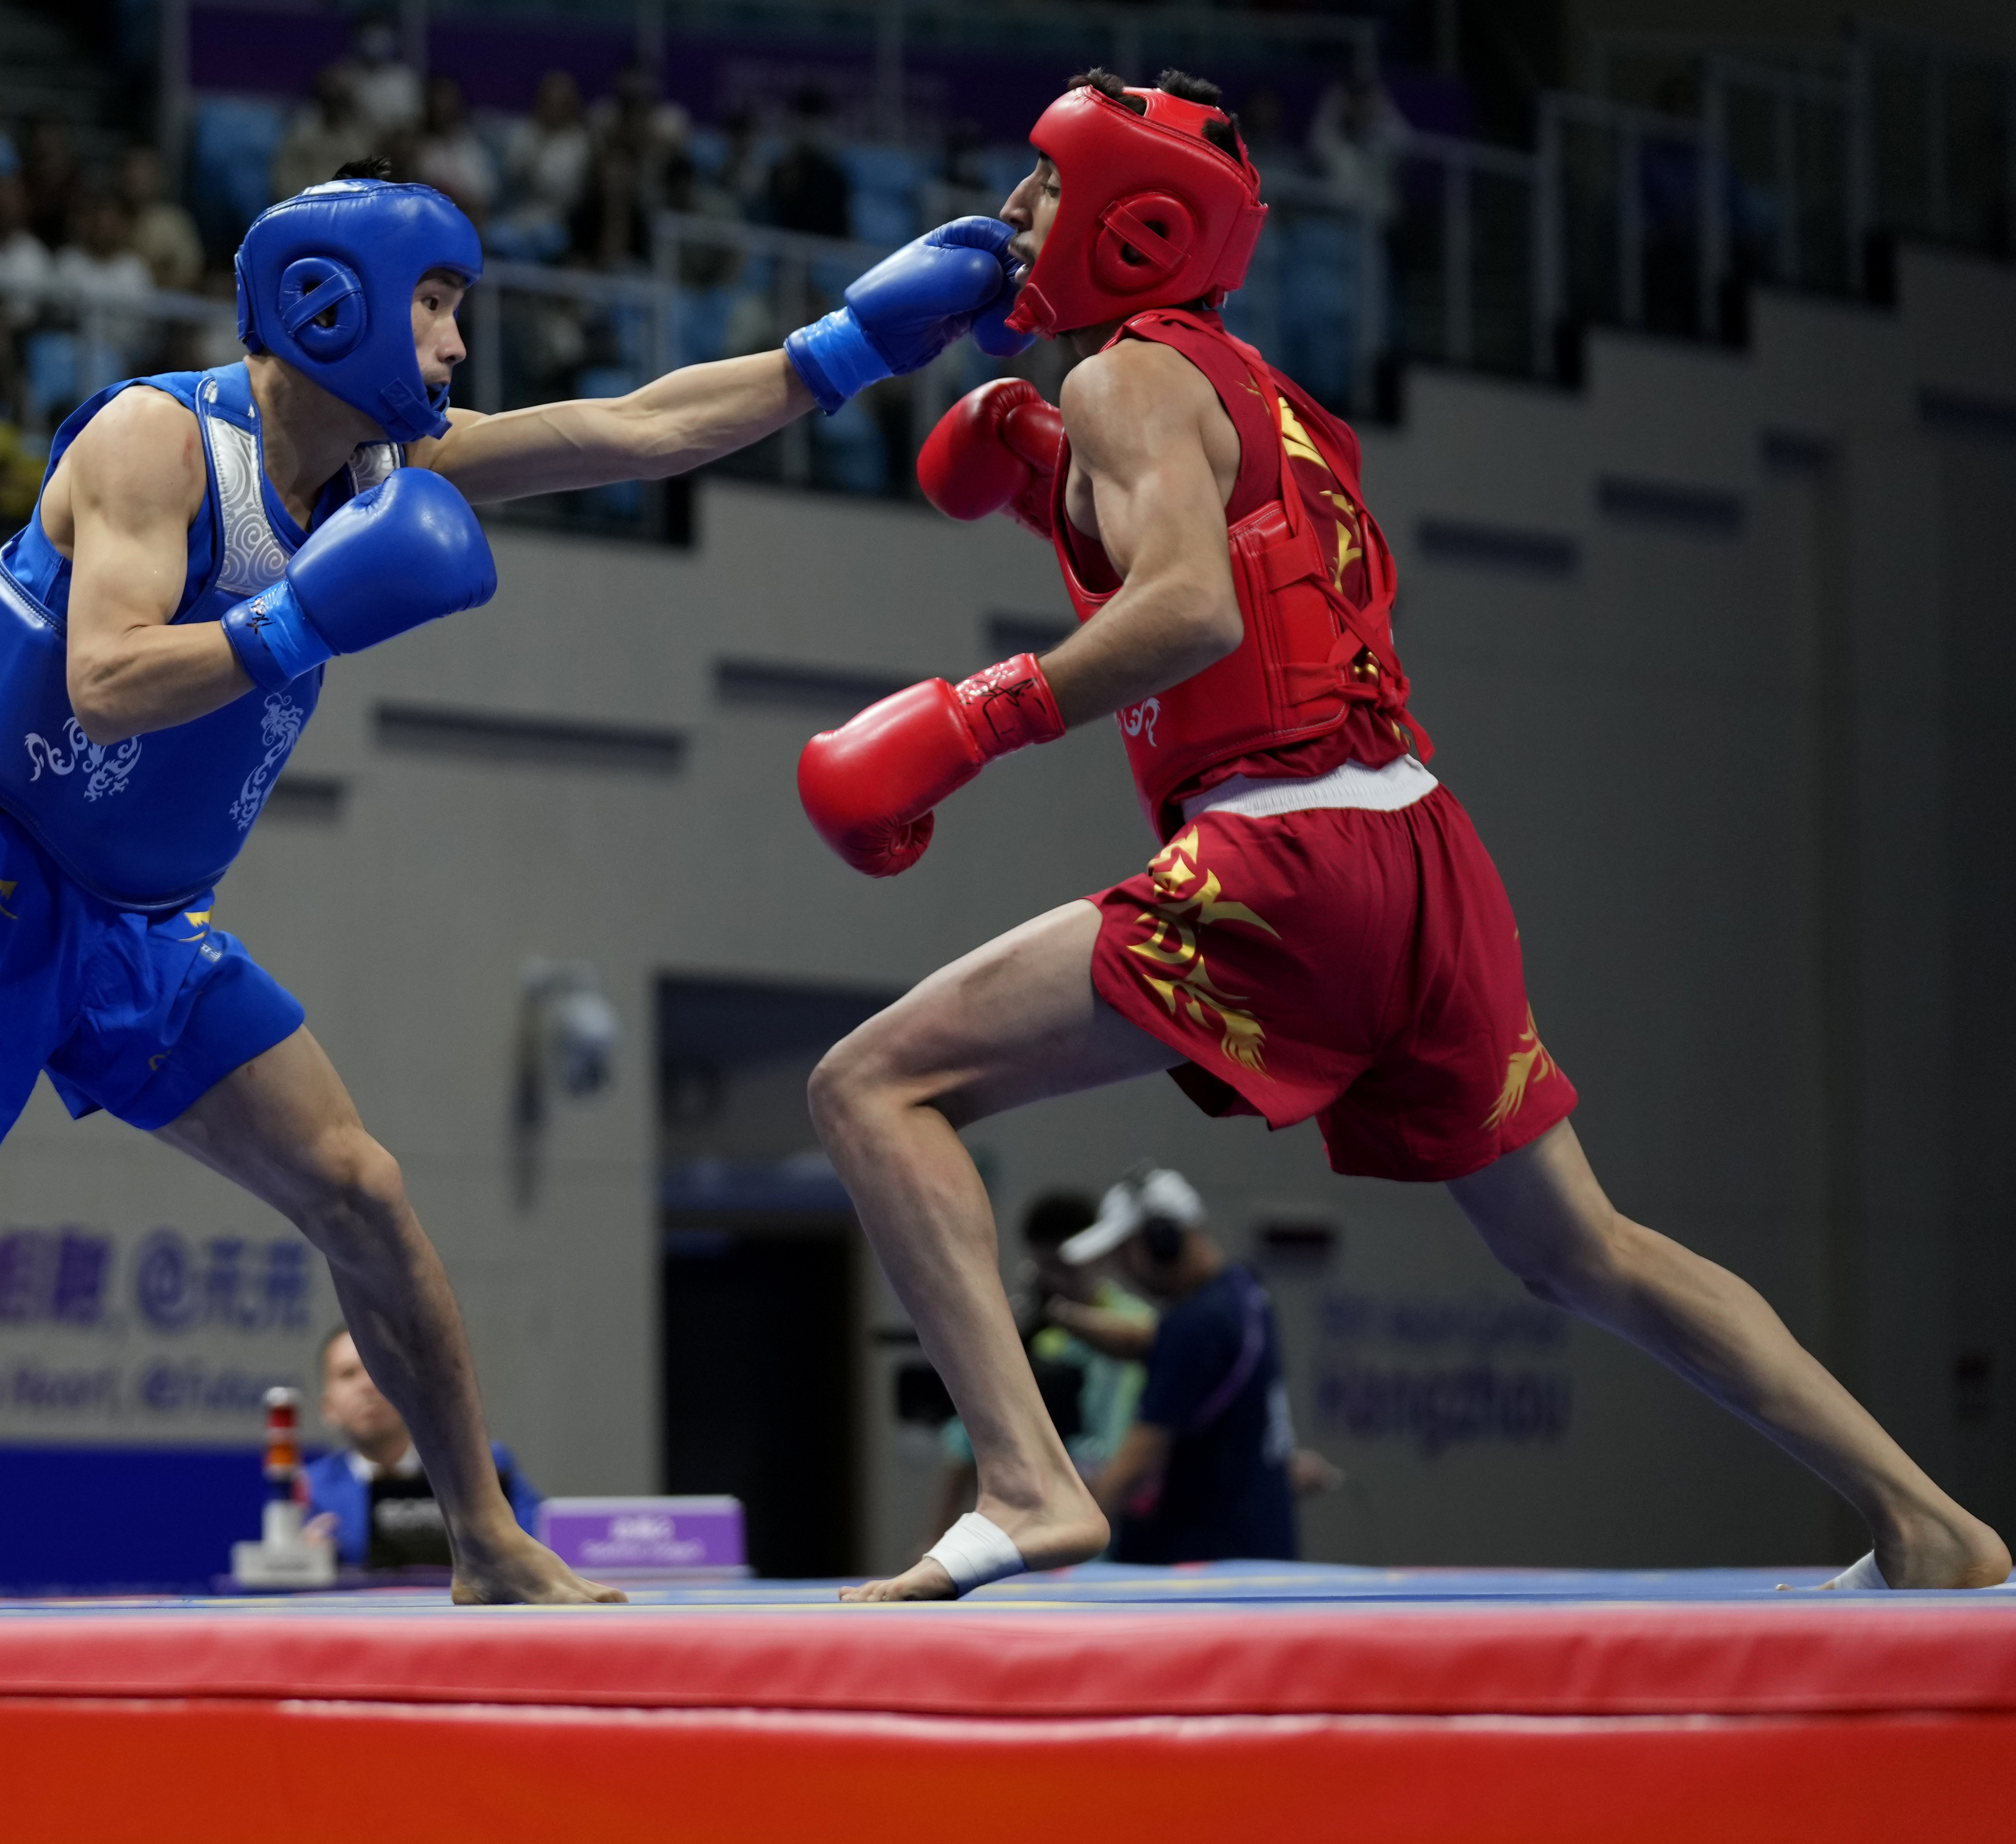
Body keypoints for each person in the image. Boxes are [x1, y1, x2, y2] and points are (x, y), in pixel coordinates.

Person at [0, 160, 1024, 1604]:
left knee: (362, 1190)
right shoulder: (153, 441)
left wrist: (847, 348)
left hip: (143, 928)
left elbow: (636, 427)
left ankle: (479, 1536)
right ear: (334, 304)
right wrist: (301, 617)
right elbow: (104, 679)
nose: (457, 348)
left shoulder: (380, 469)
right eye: (435, 305)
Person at [797, 70, 2012, 1599]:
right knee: (1581, 1249)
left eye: (1044, 182)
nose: (1013, 210)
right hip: (1421, 851)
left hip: (1286, 861)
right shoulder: (1268, 401)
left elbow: (1192, 611)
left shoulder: (1124, 384)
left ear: (1133, 223)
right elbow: (1268, 590)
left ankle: (1031, 1484)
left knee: (872, 1085)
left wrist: (979, 720)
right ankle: (1928, 1521)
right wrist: (1049, 481)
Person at [1061, 1167, 1296, 1564]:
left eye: (1123, 1252)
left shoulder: (1193, 1326)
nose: (1122, 1270)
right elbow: (1149, 1343)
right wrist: (1061, 1316)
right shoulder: (1243, 1291)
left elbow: (1137, 1459)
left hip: (1195, 1564)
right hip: (1251, 1549)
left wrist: (1063, 1543)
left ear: (1159, 1242)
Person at [922, 1190, 1150, 1551]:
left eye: (1067, 1266)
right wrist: (937, 1534)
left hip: (1129, 1528)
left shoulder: (1135, 1328)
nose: (1057, 1280)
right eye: (1046, 1267)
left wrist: (1062, 1316)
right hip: (1041, 1523)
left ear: (1098, 1256)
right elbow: (966, 1439)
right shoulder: (1025, 1335)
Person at [304, 1324, 543, 1569]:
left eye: (379, 1369)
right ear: (328, 1407)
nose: (367, 1386)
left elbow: (541, 1546)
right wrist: (304, 1559)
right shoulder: (307, 1490)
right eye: (348, 1374)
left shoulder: (481, 1466)